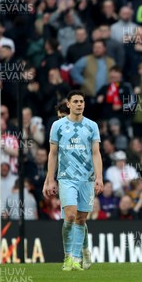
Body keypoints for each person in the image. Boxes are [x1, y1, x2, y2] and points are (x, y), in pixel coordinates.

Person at [44, 90, 103, 271]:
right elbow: (53, 154)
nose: (79, 104)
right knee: (70, 216)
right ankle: (68, 255)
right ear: (68, 104)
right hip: (66, 178)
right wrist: (50, 179)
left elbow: (96, 153)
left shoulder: (92, 126)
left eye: (82, 101)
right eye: (76, 101)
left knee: (81, 219)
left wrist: (99, 178)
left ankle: (77, 259)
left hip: (87, 178)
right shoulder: (58, 126)